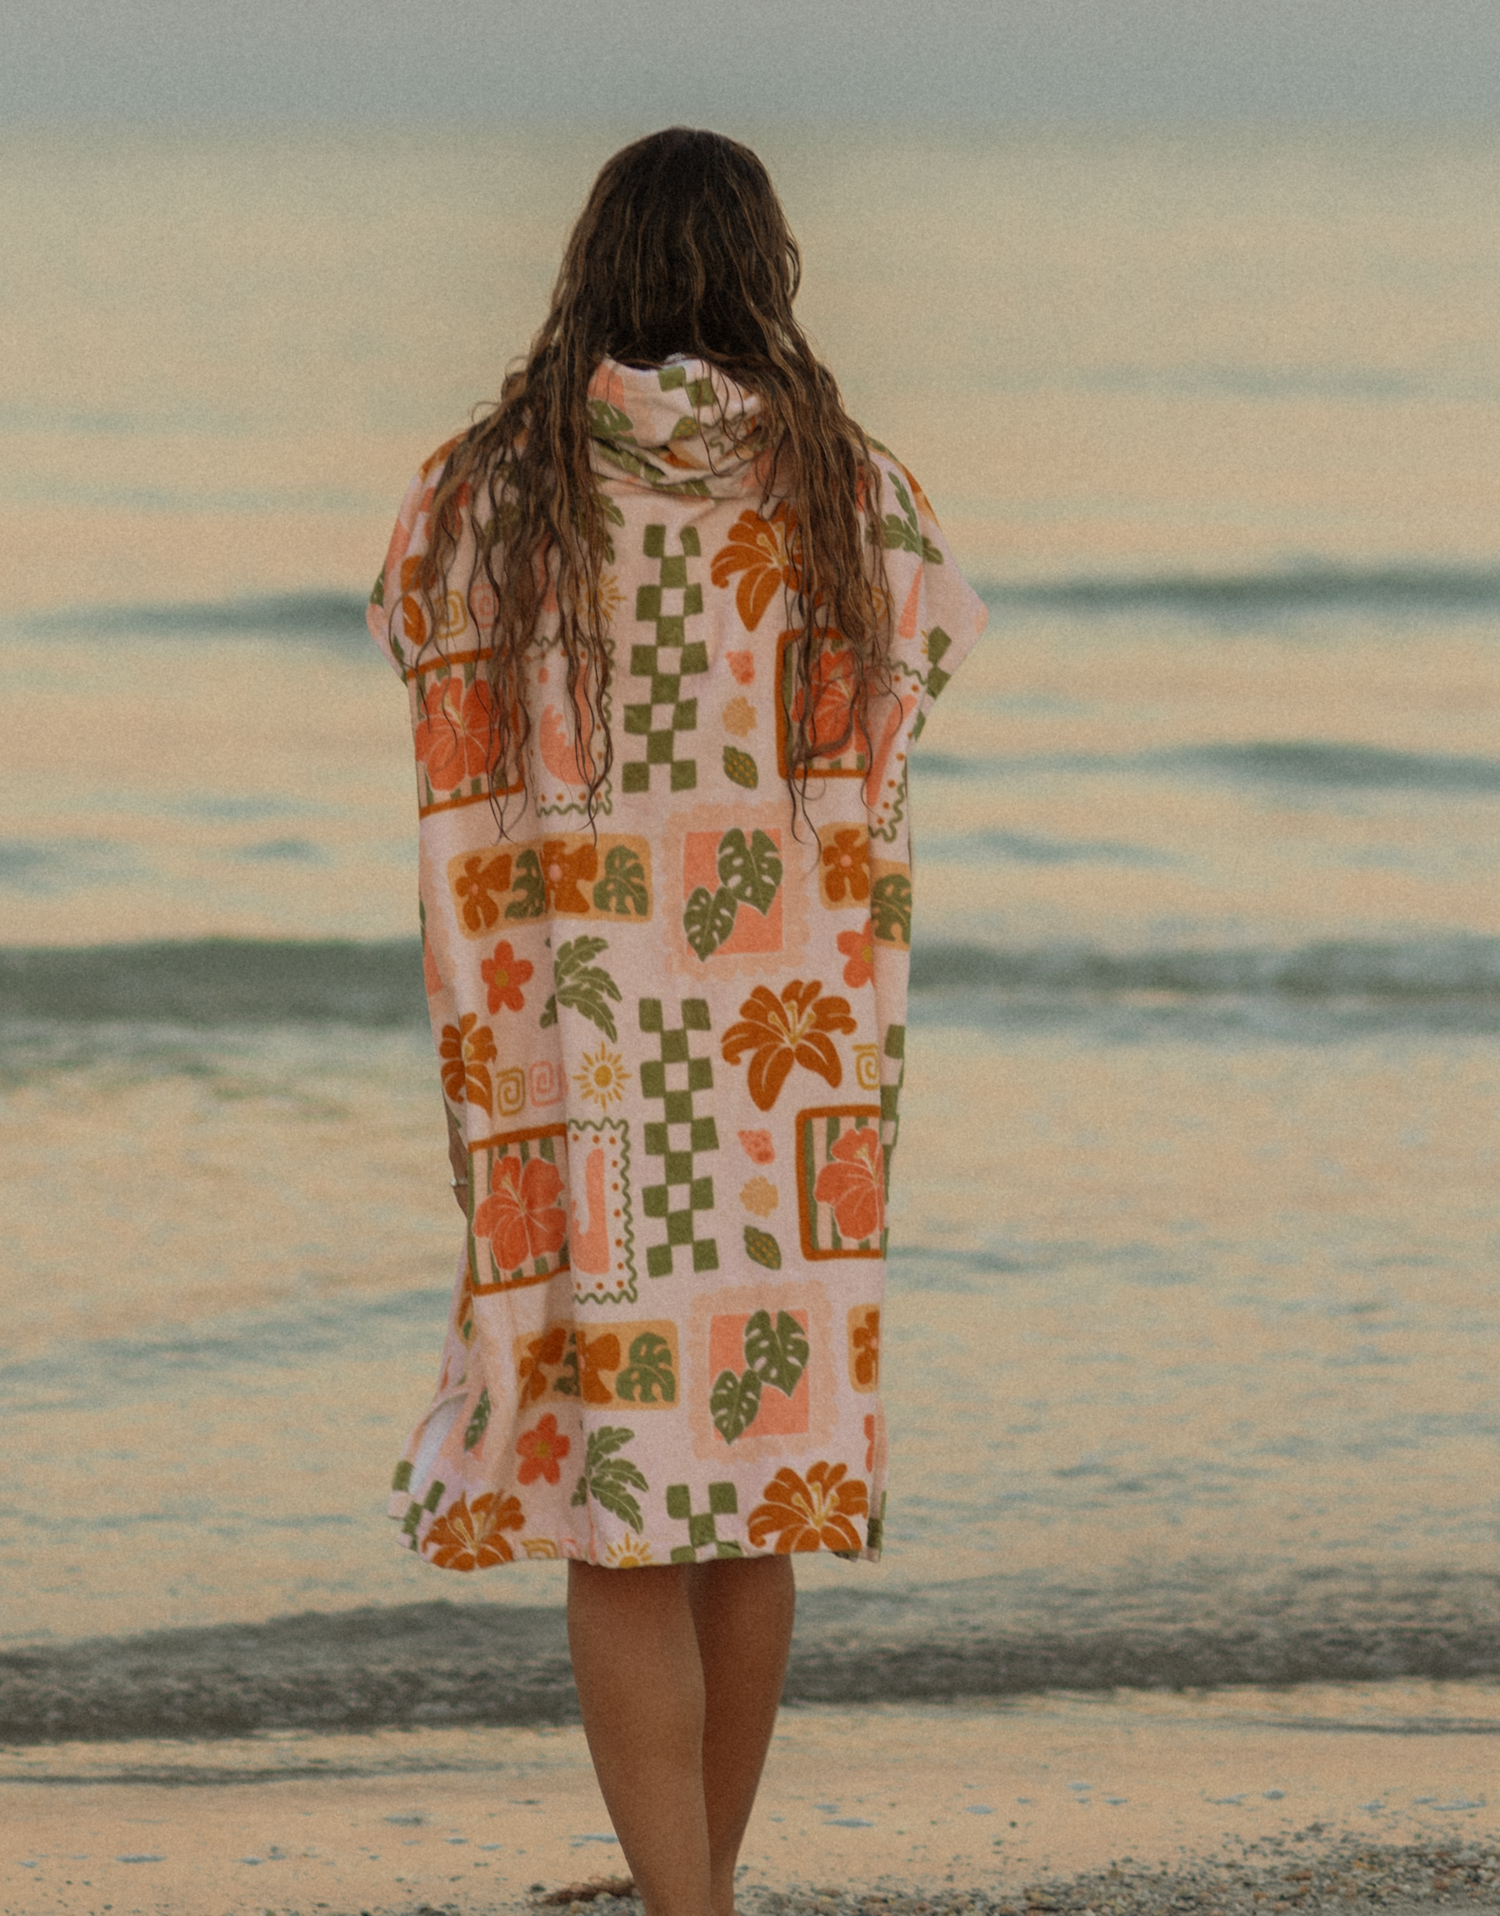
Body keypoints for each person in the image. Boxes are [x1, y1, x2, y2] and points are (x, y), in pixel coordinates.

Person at [368, 126, 985, 1916]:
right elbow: (926, 664)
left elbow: (415, 633)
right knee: (757, 1475)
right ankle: (687, 1883)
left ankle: (683, 1898)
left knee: (615, 1493)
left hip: (575, 1053)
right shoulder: (851, 490)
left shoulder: (490, 487)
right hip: (789, 1052)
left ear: (593, 267)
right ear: (764, 274)